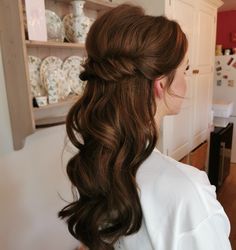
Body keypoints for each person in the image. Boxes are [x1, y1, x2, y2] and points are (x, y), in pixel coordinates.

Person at [58, 3, 232, 250]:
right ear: (160, 84)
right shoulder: (187, 192)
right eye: (184, 69)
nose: (186, 81)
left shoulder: (98, 160)